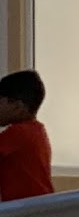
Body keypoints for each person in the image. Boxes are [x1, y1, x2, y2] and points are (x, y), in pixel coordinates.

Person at [0, 73, 53, 203]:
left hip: (29, 207)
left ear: (17, 105)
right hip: (40, 204)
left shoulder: (18, 133)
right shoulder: (37, 130)